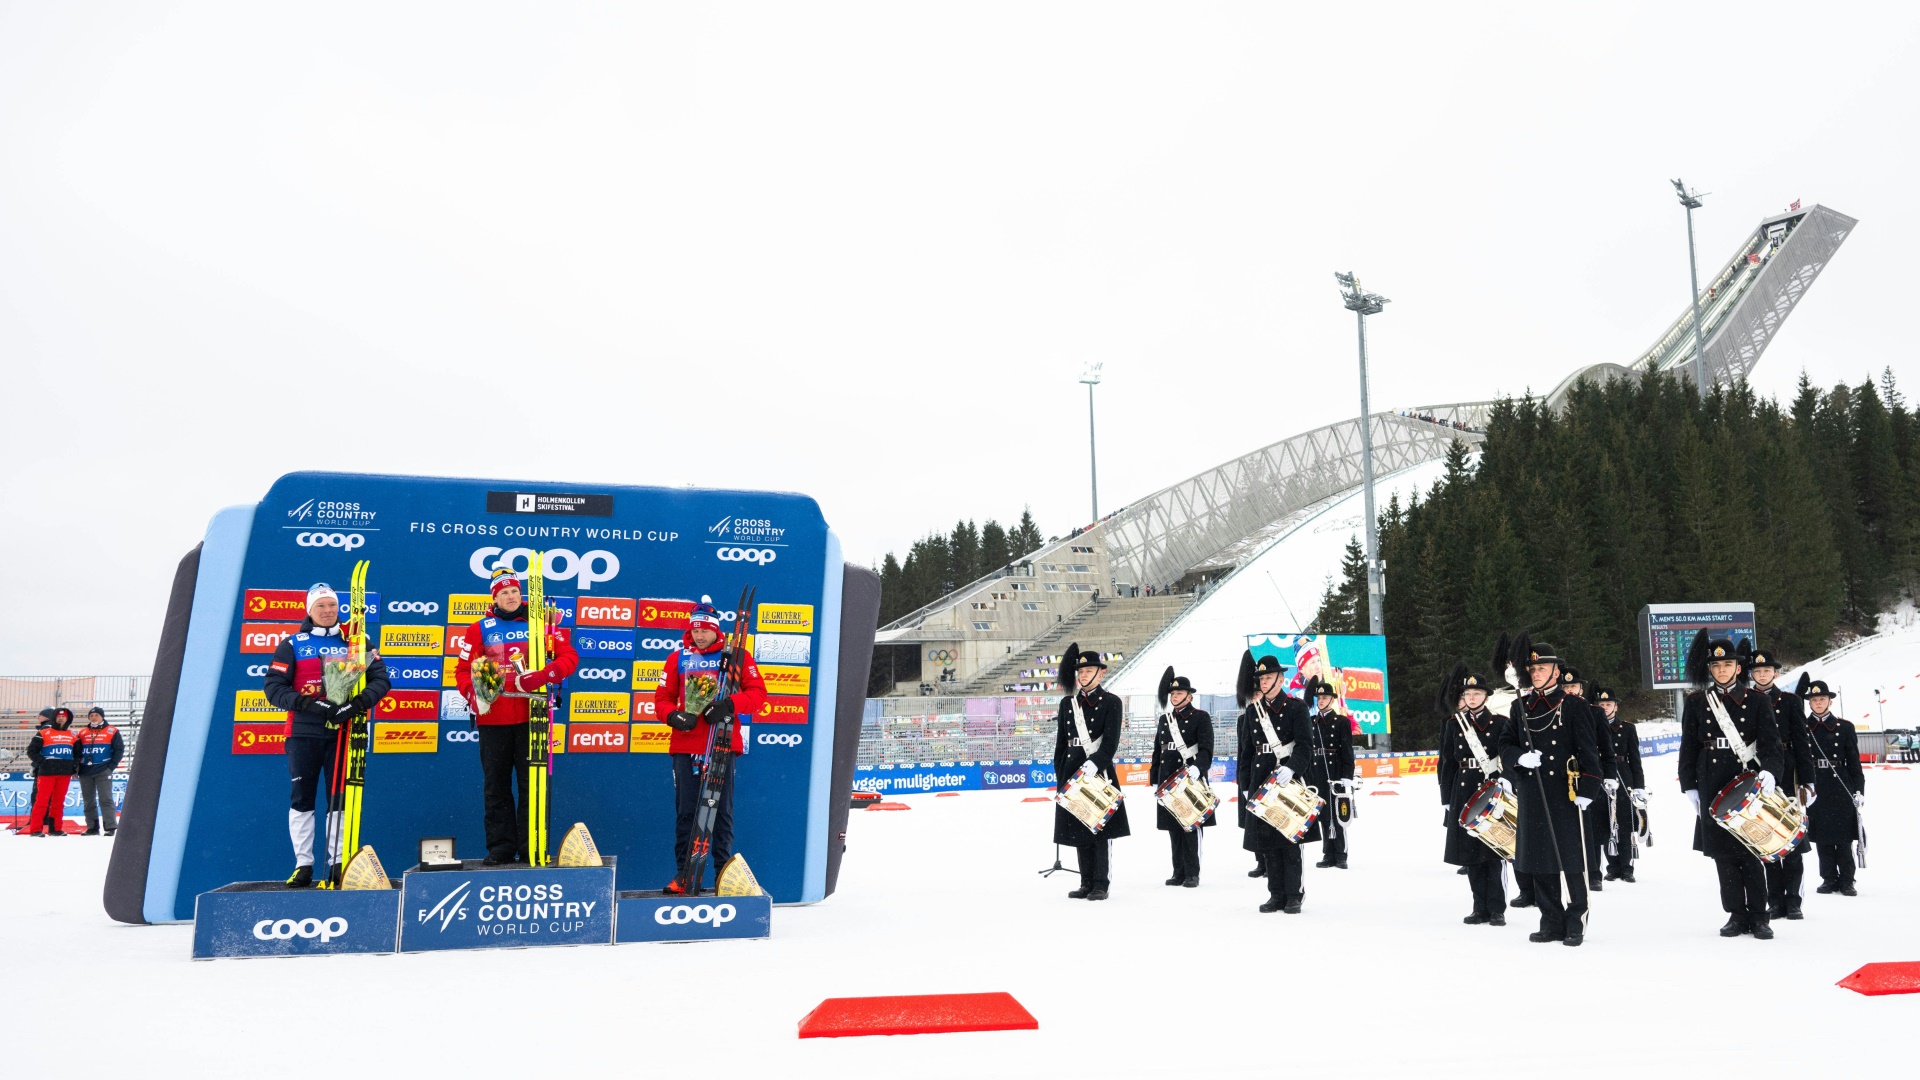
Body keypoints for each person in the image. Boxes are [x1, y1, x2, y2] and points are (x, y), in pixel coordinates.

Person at [264, 582, 391, 886]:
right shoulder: (293, 644)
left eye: (332, 605)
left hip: (344, 731)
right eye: (320, 606)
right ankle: (303, 864)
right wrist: (310, 704)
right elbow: (273, 687)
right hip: (303, 732)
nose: (327, 611)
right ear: (309, 610)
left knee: (338, 799)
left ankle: (336, 863)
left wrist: (356, 705)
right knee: (302, 798)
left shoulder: (357, 641)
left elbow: (381, 679)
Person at [455, 570, 577, 868]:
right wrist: (476, 695)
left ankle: (532, 845)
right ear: (494, 597)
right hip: (493, 720)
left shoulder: (541, 625)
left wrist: (540, 676)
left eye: (514, 592)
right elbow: (462, 671)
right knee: (496, 786)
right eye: (504, 593)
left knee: (531, 783)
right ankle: (501, 848)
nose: (510, 597)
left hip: (531, 716)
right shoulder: (479, 629)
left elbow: (569, 658)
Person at [653, 597, 765, 893]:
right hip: (685, 744)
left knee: (720, 811)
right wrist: (673, 716)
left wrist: (730, 703)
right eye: (695, 630)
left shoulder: (736, 657)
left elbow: (758, 694)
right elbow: (661, 699)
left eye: (705, 630)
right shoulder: (677, 658)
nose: (700, 635)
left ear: (717, 631)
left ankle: (722, 875)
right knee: (687, 812)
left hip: (722, 744)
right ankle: (685, 875)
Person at [1496, 638, 1602, 946]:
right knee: (1540, 859)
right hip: (1534, 790)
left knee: (1572, 859)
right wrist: (1519, 758)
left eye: (1543, 667)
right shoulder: (1520, 706)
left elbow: (1588, 750)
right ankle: (1551, 919)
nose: (1537, 673)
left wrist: (1589, 787)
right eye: (1532, 668)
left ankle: (1576, 919)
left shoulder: (1575, 706)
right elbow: (1505, 744)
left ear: (1557, 671)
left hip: (1567, 792)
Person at [1677, 635, 1784, 939]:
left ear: (1739, 667)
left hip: (1745, 778)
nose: (1721, 669)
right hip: (1711, 780)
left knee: (1751, 849)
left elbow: (1771, 744)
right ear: (1709, 669)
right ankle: (1736, 914)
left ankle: (1760, 916)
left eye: (1727, 664)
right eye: (1716, 665)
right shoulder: (1697, 702)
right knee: (1723, 855)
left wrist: (1771, 773)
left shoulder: (1757, 700)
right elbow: (1689, 746)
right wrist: (1689, 785)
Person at [1050, 644, 1130, 900]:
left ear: (1101, 673)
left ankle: (1100, 883)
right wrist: (1060, 774)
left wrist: (1096, 762)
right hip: (1072, 772)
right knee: (1078, 828)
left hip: (1098, 772)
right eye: (1080, 671)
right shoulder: (1067, 704)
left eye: (1088, 670)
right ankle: (1085, 882)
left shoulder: (1112, 702)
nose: (1083, 675)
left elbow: (1110, 742)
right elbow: (1061, 744)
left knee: (1099, 830)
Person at [1237, 653, 1310, 913]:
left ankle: (1293, 894)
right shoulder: (1253, 711)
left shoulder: (1296, 707)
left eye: (1269, 677)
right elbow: (1247, 750)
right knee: (1267, 841)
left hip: (1286, 779)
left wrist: (1292, 768)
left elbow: (1305, 746)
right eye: (1262, 678)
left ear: (1281, 679)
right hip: (1261, 781)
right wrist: (1245, 782)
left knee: (1289, 839)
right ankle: (1275, 894)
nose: (1264, 682)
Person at [1747, 650, 1814, 920]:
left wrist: (1808, 780)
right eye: (1757, 671)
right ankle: (1774, 900)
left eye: (1767, 671)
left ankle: (1794, 900)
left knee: (1793, 841)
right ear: (1751, 674)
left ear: (1776, 673)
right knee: (1767, 841)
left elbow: (1802, 743)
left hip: (1788, 773)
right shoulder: (1745, 701)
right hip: (1758, 774)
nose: (1762, 675)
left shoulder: (1791, 701)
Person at [1439, 669, 1507, 926]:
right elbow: (1446, 761)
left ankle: (1497, 908)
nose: (1471, 697)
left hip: (1490, 787)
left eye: (1476, 693)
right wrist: (1446, 796)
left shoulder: (1500, 723)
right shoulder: (1454, 723)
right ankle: (1479, 907)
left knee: (1492, 851)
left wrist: (1506, 783)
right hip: (1463, 788)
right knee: (1470, 852)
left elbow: (1507, 757)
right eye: (1468, 694)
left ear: (1486, 697)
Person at [1149, 671, 1213, 887]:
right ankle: (1178, 871)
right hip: (1168, 779)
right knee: (1173, 827)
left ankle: (1192, 872)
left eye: (1179, 693)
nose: (1174, 696)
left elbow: (1206, 749)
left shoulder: (1200, 717)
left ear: (1189, 696)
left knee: (1191, 826)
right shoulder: (1165, 719)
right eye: (1172, 693)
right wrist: (1154, 777)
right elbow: (1158, 750)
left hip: (1190, 778)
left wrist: (1198, 768)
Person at [1801, 681, 1864, 896]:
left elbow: (1854, 761)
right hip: (1815, 784)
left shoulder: (1844, 727)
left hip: (1840, 784)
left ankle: (1847, 880)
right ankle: (1828, 878)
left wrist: (1859, 790)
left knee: (1843, 836)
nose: (1818, 703)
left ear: (1829, 701)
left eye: (1822, 699)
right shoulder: (1802, 726)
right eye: (1814, 700)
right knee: (1823, 836)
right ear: (1809, 703)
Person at [1559, 667, 1616, 892]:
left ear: (1581, 688)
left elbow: (1606, 746)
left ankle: (1594, 874)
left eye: (1573, 686)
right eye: (1565, 687)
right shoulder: (1555, 710)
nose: (1569, 690)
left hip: (1590, 775)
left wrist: (1610, 775)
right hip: (1564, 776)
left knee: (1592, 829)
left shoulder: (1594, 712)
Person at [1304, 678, 1358, 870]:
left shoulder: (1341, 722)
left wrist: (1347, 775)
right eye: (1318, 697)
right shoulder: (1311, 722)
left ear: (1332, 700)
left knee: (1339, 812)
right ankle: (1328, 853)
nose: (1320, 700)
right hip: (1316, 770)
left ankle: (1341, 854)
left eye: (1324, 697)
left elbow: (1347, 750)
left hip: (1335, 769)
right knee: (1324, 814)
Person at [1593, 688, 1643, 883]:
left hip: (1623, 777)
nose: (1605, 708)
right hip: (1601, 776)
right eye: (1602, 705)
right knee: (1606, 822)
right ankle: (1612, 867)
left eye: (1608, 704)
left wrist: (1639, 785)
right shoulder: (1592, 726)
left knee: (1624, 823)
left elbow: (1635, 759)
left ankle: (1627, 866)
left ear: (1616, 706)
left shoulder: (1627, 728)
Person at [25, 708, 79, 836]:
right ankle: (36, 829)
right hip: (46, 773)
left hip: (64, 774)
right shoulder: (44, 732)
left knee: (58, 802)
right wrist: (43, 762)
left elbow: (77, 754)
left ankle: (55, 829)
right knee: (41, 801)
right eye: (58, 716)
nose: (61, 718)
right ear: (54, 717)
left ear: (68, 719)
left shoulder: (73, 735)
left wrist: (73, 766)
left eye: (64, 717)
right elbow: (31, 751)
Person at [74, 706, 125, 836]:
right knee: (88, 801)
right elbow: (77, 752)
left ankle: (110, 827)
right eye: (91, 715)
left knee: (106, 799)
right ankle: (92, 827)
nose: (94, 717)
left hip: (103, 770)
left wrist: (110, 768)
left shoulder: (112, 731)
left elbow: (119, 750)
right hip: (85, 771)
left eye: (96, 715)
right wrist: (76, 768)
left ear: (102, 717)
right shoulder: (82, 732)